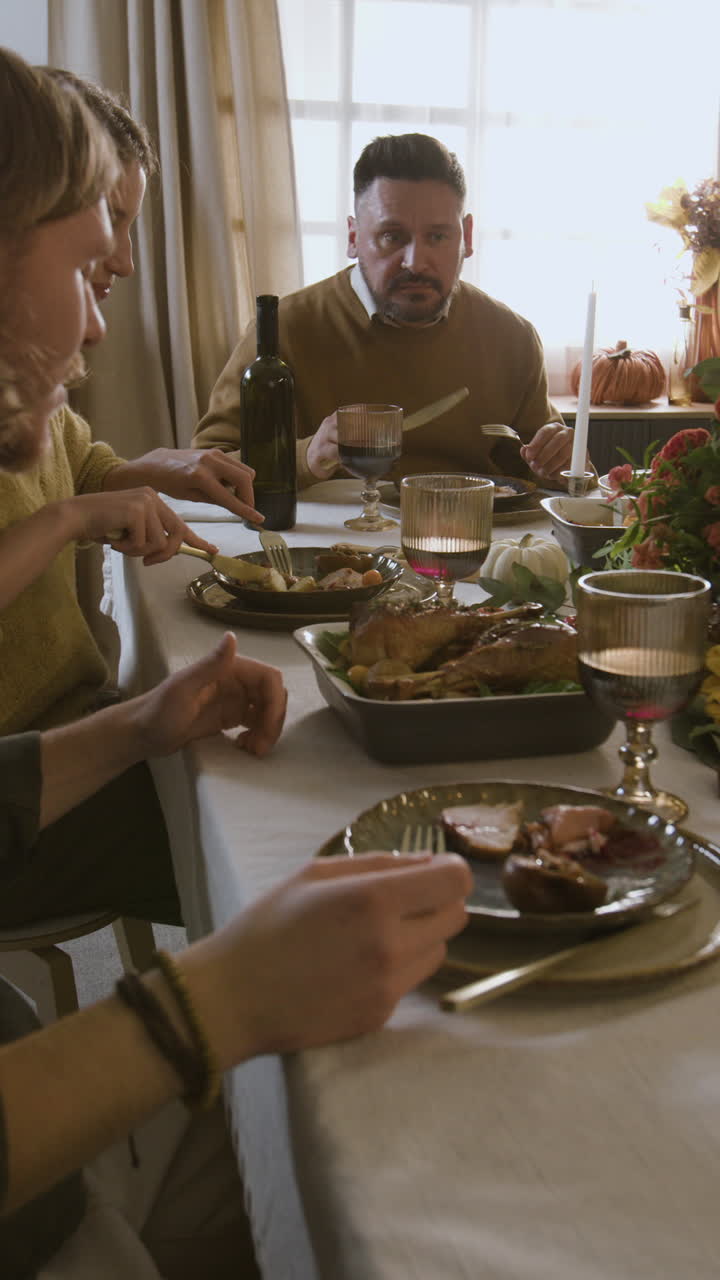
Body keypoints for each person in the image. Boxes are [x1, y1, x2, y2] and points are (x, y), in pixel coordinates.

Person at [0, 50, 472, 1278]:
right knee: (298, 846)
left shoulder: (29, 411)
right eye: (89, 268)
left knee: (281, 825)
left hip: (44, 752)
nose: (106, 318)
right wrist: (202, 1008)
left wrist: (143, 723)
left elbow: (99, 456)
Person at [0, 68, 267, 738]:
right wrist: (65, 520)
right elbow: (61, 506)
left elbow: (78, 469)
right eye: (106, 222)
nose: (121, 260)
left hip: (68, 719)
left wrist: (158, 470)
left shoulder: (29, 373)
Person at [193, 132, 587, 490]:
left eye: (437, 236)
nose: (416, 262)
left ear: (465, 237)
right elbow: (208, 466)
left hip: (467, 546)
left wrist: (565, 462)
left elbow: (544, 477)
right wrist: (306, 456)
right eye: (391, 236)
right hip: (329, 550)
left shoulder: (511, 336)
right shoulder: (285, 329)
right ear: (353, 237)